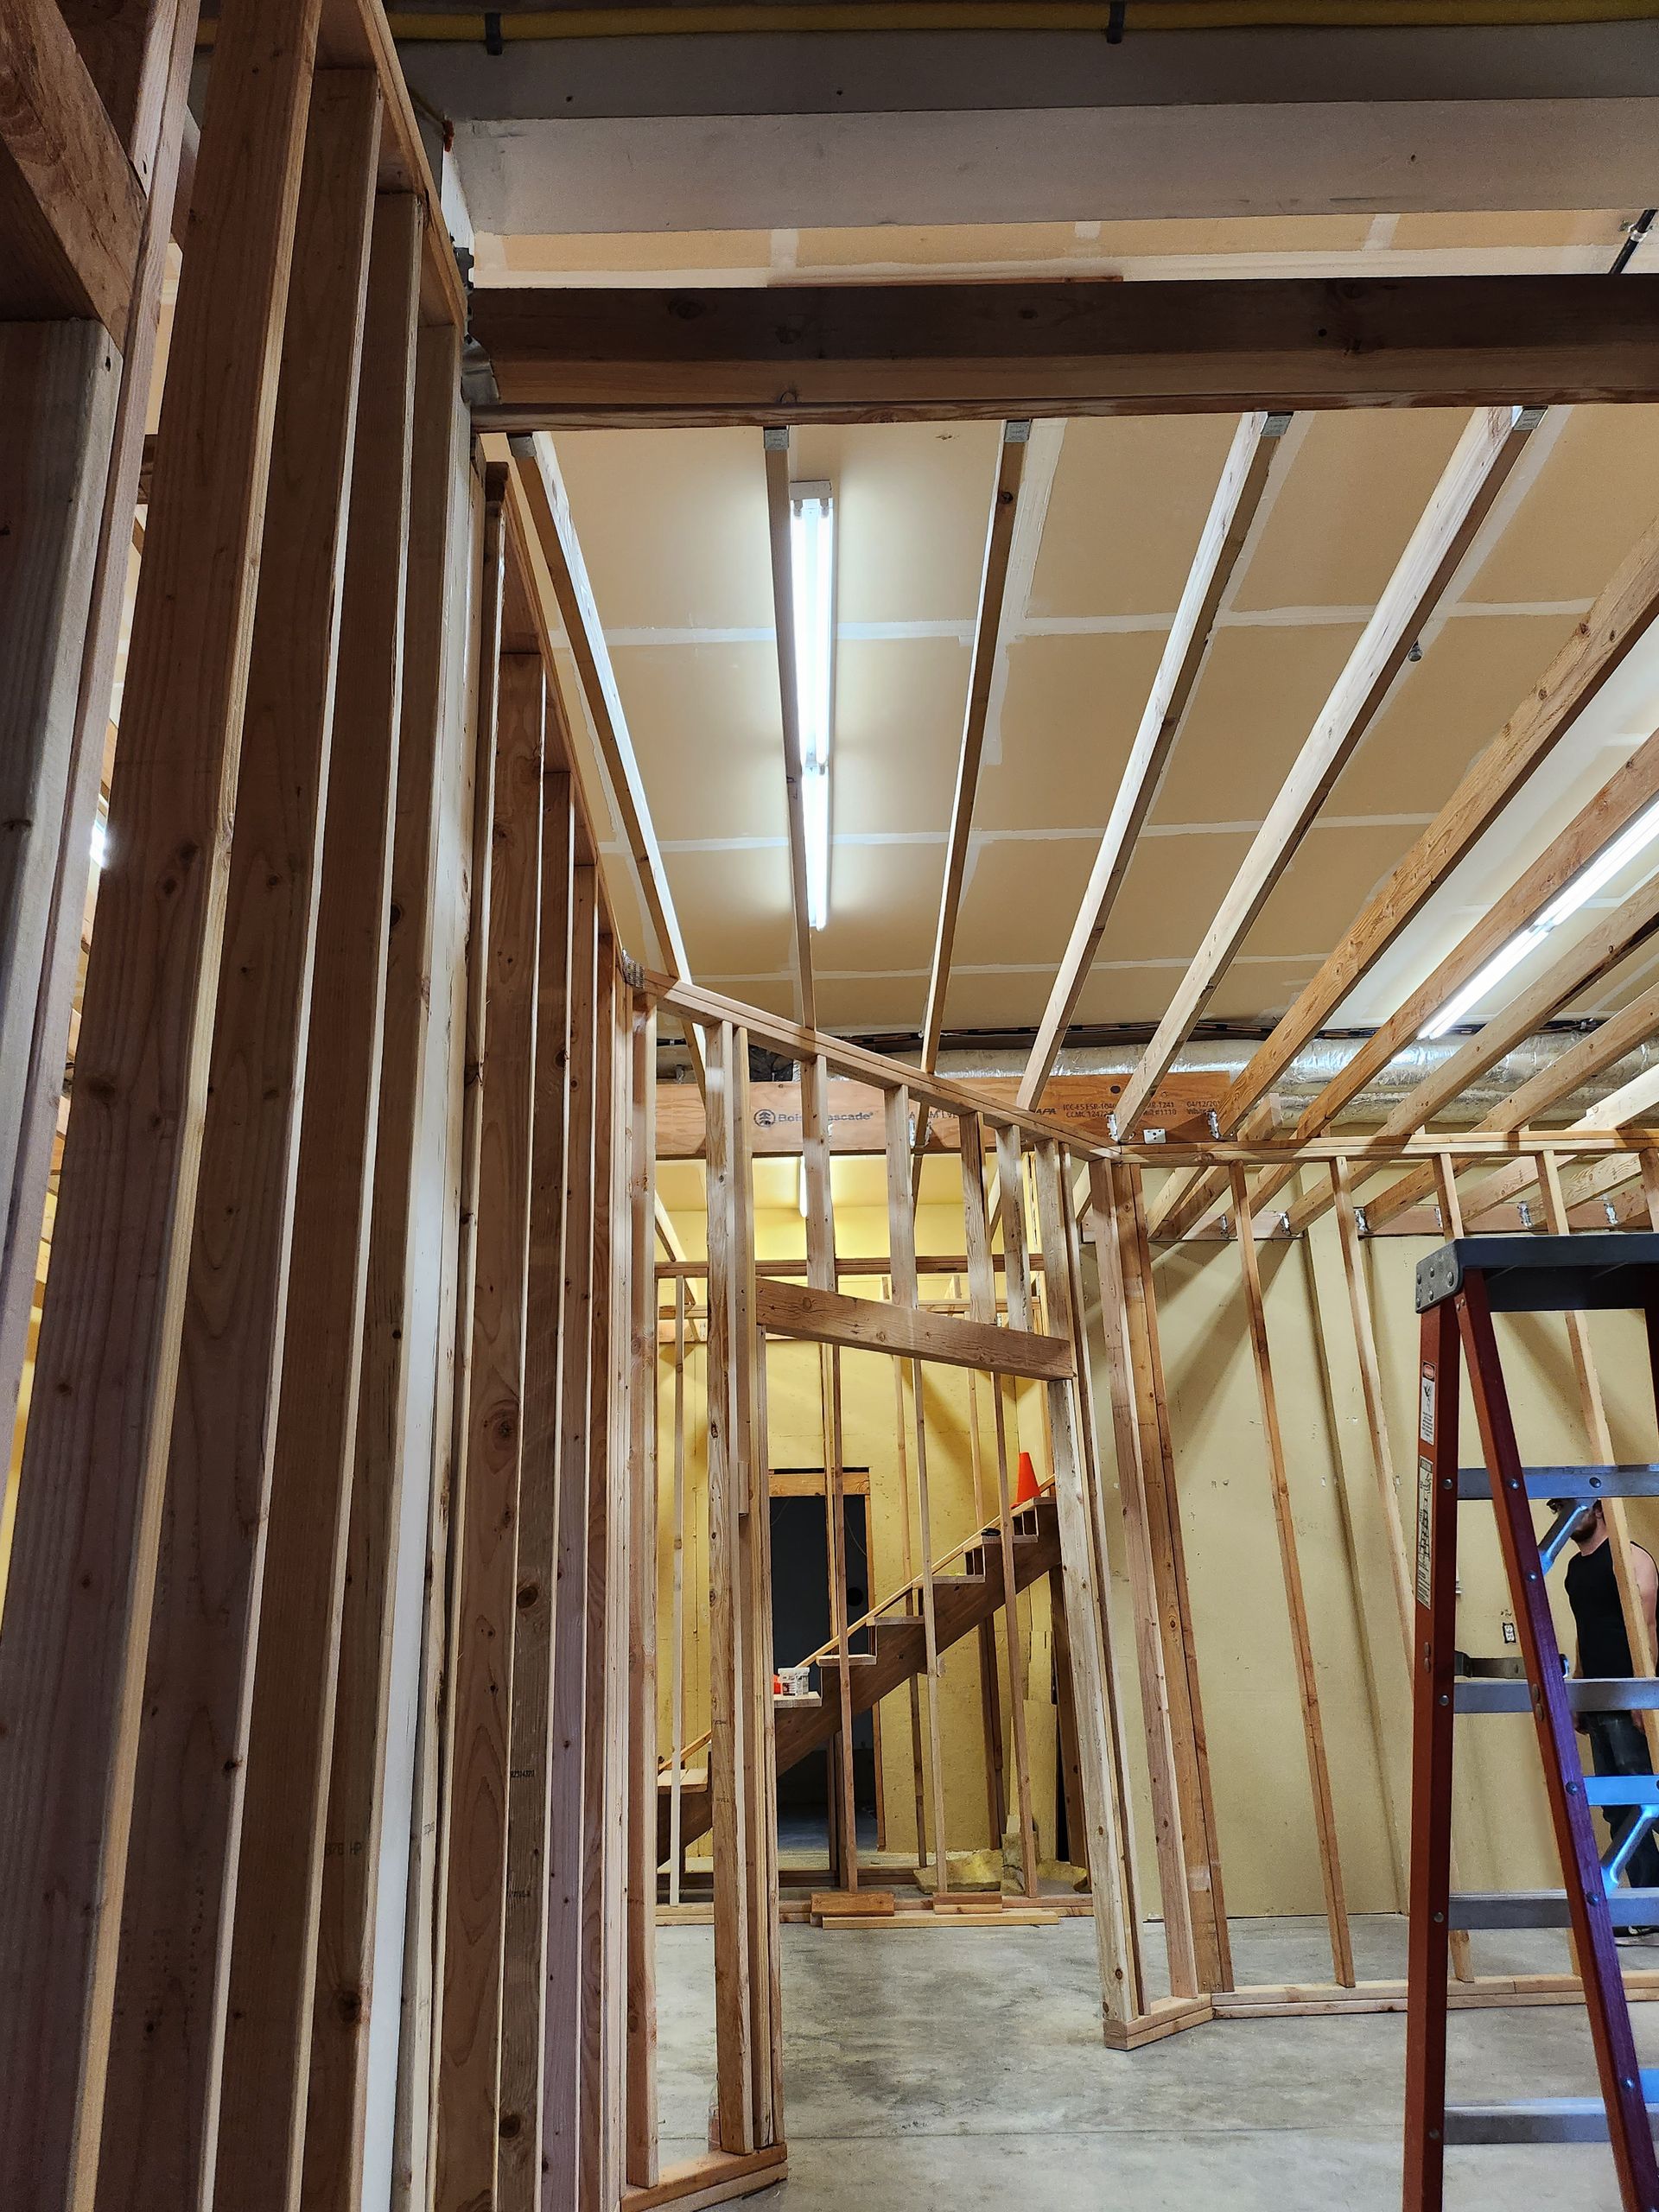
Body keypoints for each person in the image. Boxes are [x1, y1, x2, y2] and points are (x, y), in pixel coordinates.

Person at [1559, 1499, 1659, 1940]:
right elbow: (1586, 1630)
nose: (1563, 1518)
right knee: (1619, 1806)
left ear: (1597, 1509)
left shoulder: (1630, 1557)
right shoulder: (1575, 1568)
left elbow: (1649, 1626)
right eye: (1557, 1510)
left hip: (1629, 1697)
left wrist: (1644, 1693)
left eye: (1569, 1508)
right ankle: (1648, 1902)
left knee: (1645, 1799)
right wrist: (1579, 1689)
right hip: (1598, 1697)